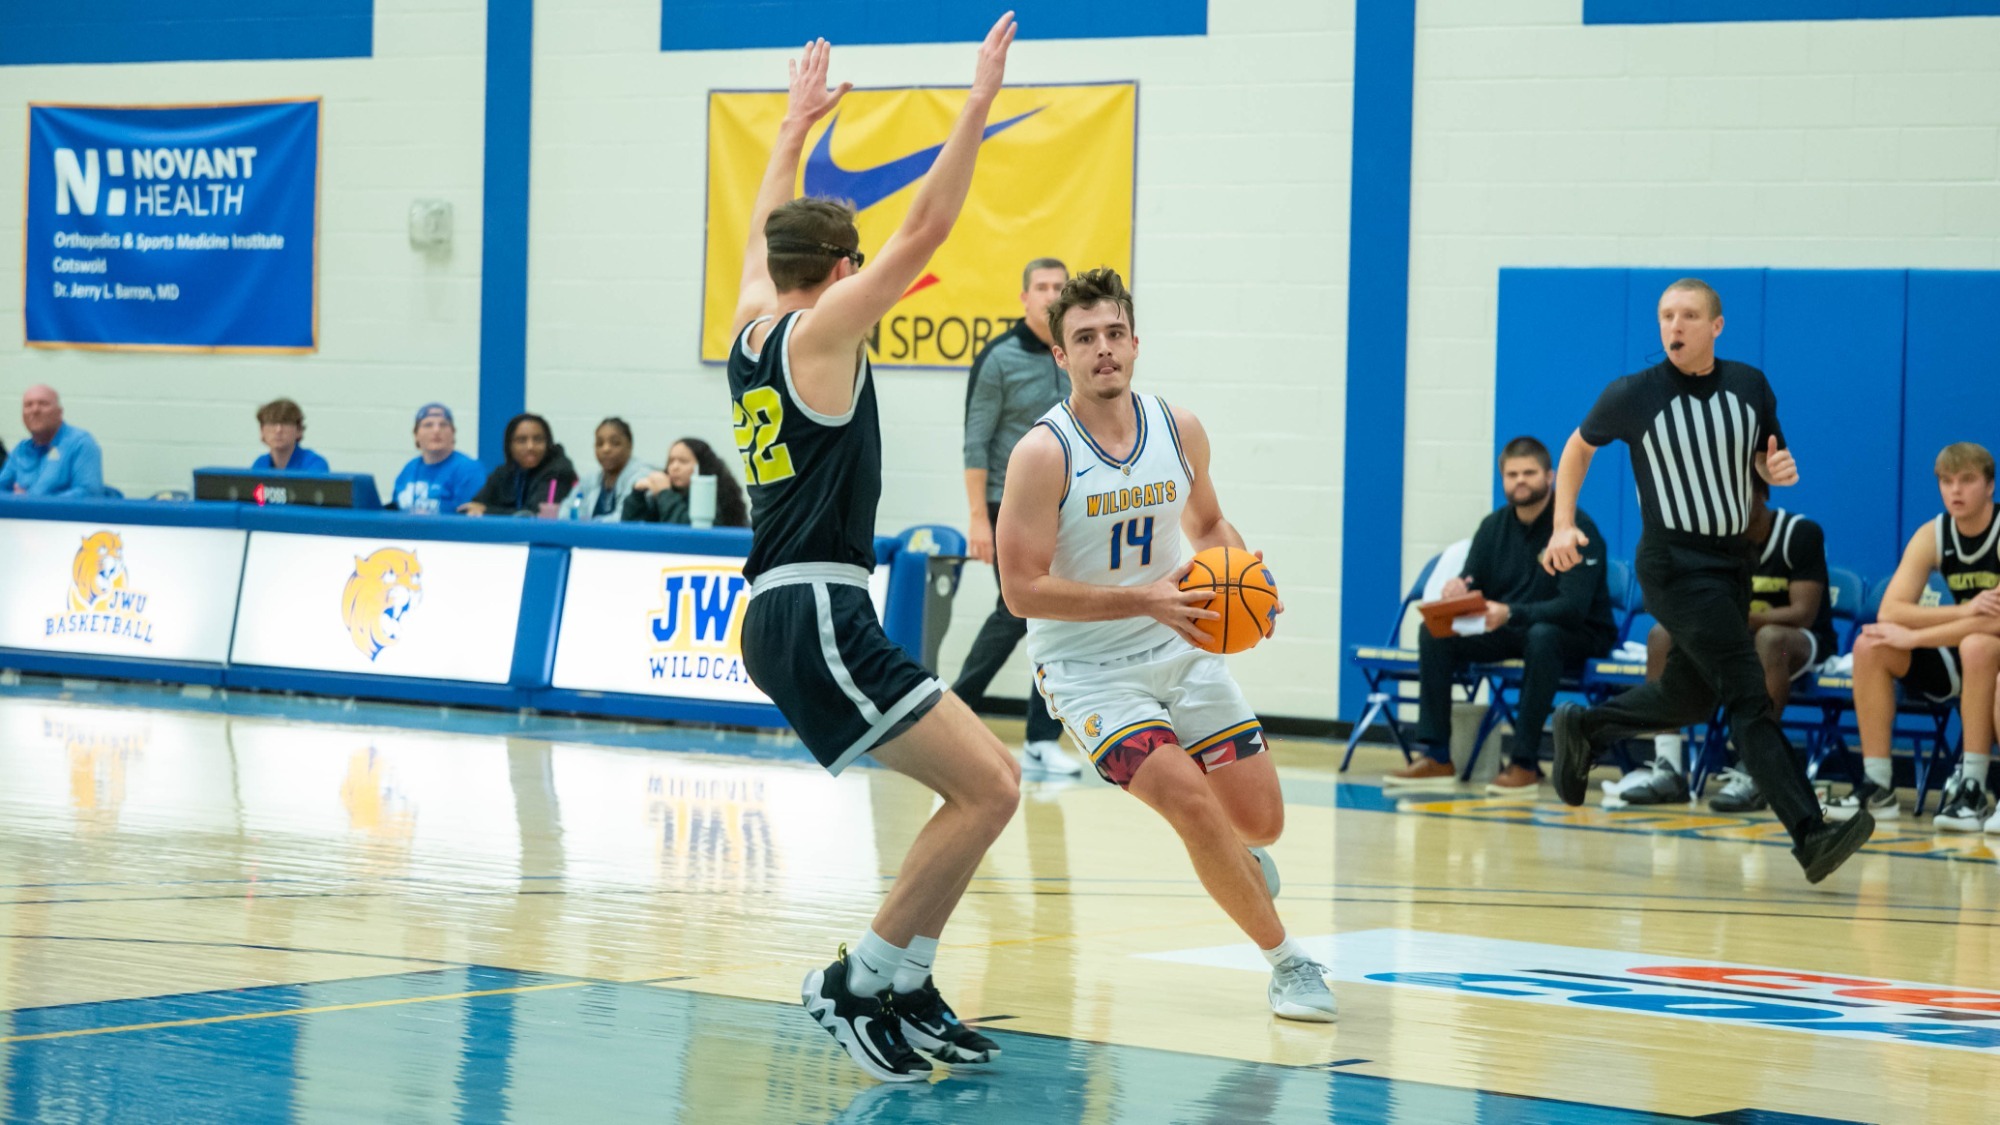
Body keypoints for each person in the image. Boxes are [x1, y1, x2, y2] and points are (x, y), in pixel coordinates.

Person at [725, 26, 1022, 1084]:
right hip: (812, 607)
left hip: (794, 606)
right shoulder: (816, 333)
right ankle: (860, 979)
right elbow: (929, 225)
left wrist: (794, 127)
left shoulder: (750, 320)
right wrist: (977, 99)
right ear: (841, 272)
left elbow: (767, 231)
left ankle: (906, 979)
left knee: (985, 783)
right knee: (989, 791)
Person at [997, 267, 1336, 1023]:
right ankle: (1290, 962)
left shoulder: (1178, 428)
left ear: (1135, 342)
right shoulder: (1042, 455)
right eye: (1084, 338)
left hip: (1180, 643)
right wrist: (1139, 598)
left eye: (1114, 333)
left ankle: (1240, 863)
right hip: (1086, 668)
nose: (1103, 349)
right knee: (1189, 800)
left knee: (1260, 822)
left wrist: (1242, 576)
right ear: (1062, 356)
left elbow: (1211, 525)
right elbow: (1020, 589)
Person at [1543, 277, 1871, 884]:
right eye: (1667, 315)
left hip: (1732, 563)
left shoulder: (1749, 385)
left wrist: (1773, 466)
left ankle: (1583, 726)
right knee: (1749, 694)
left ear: (1715, 326)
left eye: (1689, 315)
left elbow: (1759, 455)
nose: (1675, 326)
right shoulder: (1632, 394)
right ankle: (1811, 833)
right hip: (1672, 562)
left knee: (1690, 698)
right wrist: (1562, 525)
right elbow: (1577, 449)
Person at [1385, 435, 1616, 793]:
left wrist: (1509, 612)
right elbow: (1473, 580)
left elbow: (1571, 609)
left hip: (1577, 633)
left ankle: (1525, 762)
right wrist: (1459, 589)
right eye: (1512, 474)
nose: (1520, 481)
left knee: (1544, 636)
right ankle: (1436, 755)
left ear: (1550, 477)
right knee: (1435, 632)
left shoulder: (1575, 529)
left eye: (1529, 473)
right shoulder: (1493, 527)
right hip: (1514, 628)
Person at [1615, 475, 1837, 810]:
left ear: (1762, 493)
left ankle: (1757, 772)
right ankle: (1669, 768)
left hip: (1799, 644)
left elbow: (1803, 613)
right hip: (1735, 639)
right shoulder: (1711, 540)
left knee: (1770, 639)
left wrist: (1735, 619)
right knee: (1662, 634)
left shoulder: (1800, 533)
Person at [953, 257, 1086, 776]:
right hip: (1004, 504)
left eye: (1060, 286)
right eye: (1042, 287)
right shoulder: (999, 358)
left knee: (1054, 616)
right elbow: (975, 442)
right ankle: (954, 710)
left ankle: (1038, 738)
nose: (1052, 294)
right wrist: (976, 519)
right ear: (1024, 298)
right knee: (1016, 611)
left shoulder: (1075, 353)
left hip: (1067, 505)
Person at [1828, 443, 2000, 832]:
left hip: (1989, 654)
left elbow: (1996, 624)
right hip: (1962, 652)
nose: (1955, 490)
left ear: (1990, 487)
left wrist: (1916, 637)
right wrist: (1966, 609)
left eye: (1968, 480)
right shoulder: (1933, 534)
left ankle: (1972, 785)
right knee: (1871, 645)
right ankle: (1878, 785)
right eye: (1946, 481)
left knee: (1978, 644)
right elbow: (1891, 610)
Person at [461, 413, 576, 517]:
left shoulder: (558, 472)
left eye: (538, 440)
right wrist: (478, 509)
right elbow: (473, 506)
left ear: (548, 443)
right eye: (521, 440)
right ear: (509, 446)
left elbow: (536, 516)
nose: (530, 447)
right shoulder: (504, 472)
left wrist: (487, 510)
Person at [0, 385, 105, 498]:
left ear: (59, 412)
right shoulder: (21, 450)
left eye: (43, 404)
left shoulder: (80, 443)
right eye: (28, 405)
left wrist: (31, 502)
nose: (35, 410)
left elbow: (88, 494)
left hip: (63, 515)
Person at [623, 437, 749, 527]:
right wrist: (637, 496)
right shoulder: (664, 495)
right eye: (671, 461)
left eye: (683, 461)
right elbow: (631, 527)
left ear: (702, 467)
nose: (674, 467)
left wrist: (664, 493)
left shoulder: (714, 496)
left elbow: (688, 532)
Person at [392, 403, 486, 515]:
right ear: (416, 434)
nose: (436, 430)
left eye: (443, 425)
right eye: (428, 425)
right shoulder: (409, 468)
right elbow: (395, 507)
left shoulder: (469, 469)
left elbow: (471, 518)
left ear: (453, 433)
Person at [567, 418, 658, 522]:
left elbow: (624, 519)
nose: (606, 449)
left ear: (630, 445)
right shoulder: (590, 479)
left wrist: (588, 526)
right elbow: (567, 509)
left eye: (615, 443)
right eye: (600, 443)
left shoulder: (641, 477)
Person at [250, 398, 330, 473]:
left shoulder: (314, 464)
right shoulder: (259, 464)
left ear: (299, 430)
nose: (278, 430)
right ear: (262, 431)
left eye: (285, 423)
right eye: (272, 423)